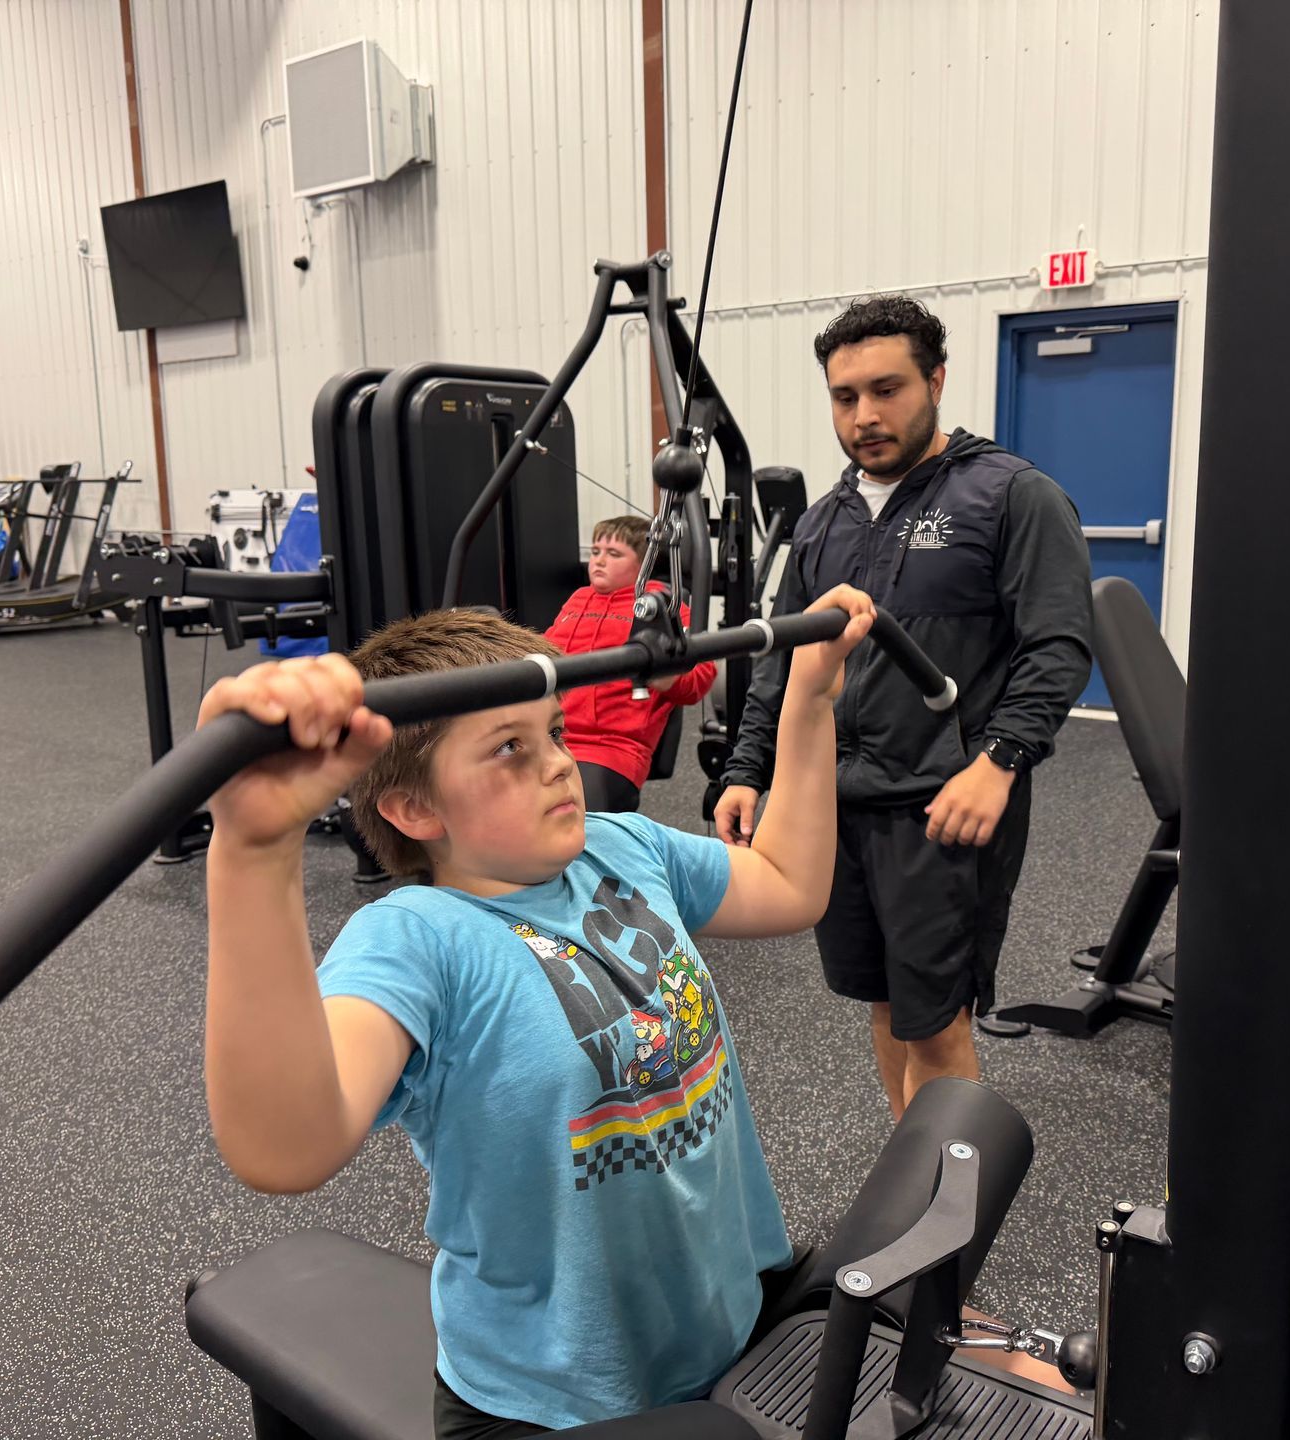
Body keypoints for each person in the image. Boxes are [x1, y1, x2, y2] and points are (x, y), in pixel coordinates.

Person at [197, 586, 876, 1437]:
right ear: (415, 809)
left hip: (729, 1324)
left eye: (553, 731)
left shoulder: (619, 846)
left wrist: (809, 700)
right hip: (551, 1407)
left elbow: (788, 883)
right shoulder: (418, 938)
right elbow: (283, 1146)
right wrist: (255, 853)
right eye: (509, 749)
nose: (559, 761)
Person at [715, 294, 1093, 1122]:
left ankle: (950, 1224)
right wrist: (746, 770)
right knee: (886, 1004)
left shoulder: (1010, 496)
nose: (865, 416)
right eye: (845, 397)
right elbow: (785, 658)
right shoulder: (824, 522)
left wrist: (999, 764)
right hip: (836, 805)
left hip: (942, 807)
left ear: (937, 380)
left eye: (887, 390)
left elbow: (1058, 648)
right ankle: (909, 1175)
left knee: (939, 1021)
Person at [542, 514, 716, 813]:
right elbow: (543, 648)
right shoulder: (578, 599)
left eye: (614, 554)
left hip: (611, 747)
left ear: (644, 564)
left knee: (582, 823)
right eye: (596, 552)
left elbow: (701, 673)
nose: (598, 561)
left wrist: (668, 677)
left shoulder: (662, 606)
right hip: (550, 736)